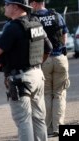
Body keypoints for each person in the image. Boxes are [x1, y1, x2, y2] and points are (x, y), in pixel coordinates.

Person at [0, 0, 53, 141]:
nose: (4, 7)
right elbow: (48, 48)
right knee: (38, 118)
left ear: (15, 7)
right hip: (37, 75)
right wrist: (35, 65)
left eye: (6, 4)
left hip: (20, 79)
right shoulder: (35, 23)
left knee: (23, 120)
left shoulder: (13, 27)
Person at [29, 0, 70, 137]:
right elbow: (64, 37)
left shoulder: (34, 20)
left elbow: (33, 42)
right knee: (59, 94)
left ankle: (46, 128)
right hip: (60, 59)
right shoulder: (57, 16)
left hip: (43, 60)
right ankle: (59, 127)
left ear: (34, 3)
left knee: (45, 94)